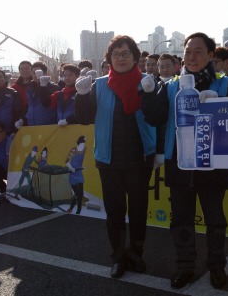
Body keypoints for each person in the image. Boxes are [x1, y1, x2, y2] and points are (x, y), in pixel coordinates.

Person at [141, 32, 228, 290]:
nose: (192, 56)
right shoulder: (170, 85)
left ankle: (216, 267)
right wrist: (148, 93)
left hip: (213, 163)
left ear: (210, 55)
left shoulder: (227, 84)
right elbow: (154, 118)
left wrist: (221, 106)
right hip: (179, 164)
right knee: (181, 219)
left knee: (215, 219)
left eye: (198, 51)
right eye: (187, 51)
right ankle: (184, 267)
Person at [74, 35, 165, 279]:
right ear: (109, 59)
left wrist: (158, 151)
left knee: (137, 208)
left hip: (140, 157)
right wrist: (81, 96)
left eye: (125, 53)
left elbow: (157, 118)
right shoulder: (99, 85)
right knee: (114, 211)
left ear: (136, 57)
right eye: (115, 54)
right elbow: (84, 118)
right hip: (108, 159)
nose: (120, 58)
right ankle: (118, 257)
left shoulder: (148, 83)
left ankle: (136, 253)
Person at [22, 61, 60, 126]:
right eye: (34, 73)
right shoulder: (29, 88)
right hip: (32, 126)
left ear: (45, 73)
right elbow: (28, 106)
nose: (36, 76)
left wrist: (43, 86)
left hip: (48, 127)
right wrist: (21, 119)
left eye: (39, 73)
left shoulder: (53, 87)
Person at [66, 136, 87, 214]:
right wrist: (71, 168)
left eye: (83, 144)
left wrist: (82, 167)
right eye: (81, 145)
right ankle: (77, 211)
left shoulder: (85, 149)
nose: (83, 146)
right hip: (73, 175)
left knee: (80, 194)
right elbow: (67, 161)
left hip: (79, 174)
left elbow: (79, 163)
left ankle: (74, 210)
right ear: (78, 144)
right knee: (78, 195)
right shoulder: (73, 150)